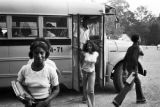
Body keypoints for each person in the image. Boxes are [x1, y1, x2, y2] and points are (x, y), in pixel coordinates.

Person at [17, 38, 60, 107]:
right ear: (32, 54)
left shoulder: (50, 69)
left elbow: (57, 89)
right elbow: (17, 84)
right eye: (36, 53)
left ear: (46, 54)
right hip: (29, 103)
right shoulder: (25, 69)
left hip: (45, 103)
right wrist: (24, 95)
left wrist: (46, 102)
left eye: (41, 53)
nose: (39, 56)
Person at [112, 34, 146, 107]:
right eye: (139, 38)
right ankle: (117, 100)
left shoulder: (130, 48)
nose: (140, 39)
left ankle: (140, 99)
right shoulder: (137, 47)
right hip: (134, 69)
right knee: (128, 85)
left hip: (129, 68)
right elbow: (134, 58)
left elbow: (125, 58)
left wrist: (124, 69)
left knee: (138, 82)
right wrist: (136, 68)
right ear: (138, 40)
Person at [81, 40, 99, 107]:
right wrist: (81, 72)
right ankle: (88, 103)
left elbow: (95, 62)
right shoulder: (84, 53)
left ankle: (92, 105)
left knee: (91, 91)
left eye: (90, 46)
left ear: (93, 46)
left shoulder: (96, 54)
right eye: (88, 46)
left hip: (92, 73)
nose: (89, 47)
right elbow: (80, 63)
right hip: (84, 72)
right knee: (85, 90)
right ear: (86, 46)